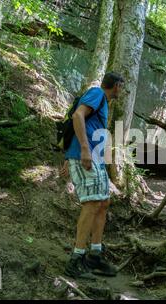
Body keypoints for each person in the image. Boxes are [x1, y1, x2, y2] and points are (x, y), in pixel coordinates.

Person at [61, 72, 124, 279]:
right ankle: (76, 259)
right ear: (116, 86)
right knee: (92, 204)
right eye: (121, 87)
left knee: (103, 202)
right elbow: (78, 116)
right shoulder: (97, 93)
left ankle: (94, 256)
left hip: (92, 158)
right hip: (85, 155)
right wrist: (84, 150)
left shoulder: (102, 101)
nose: (121, 91)